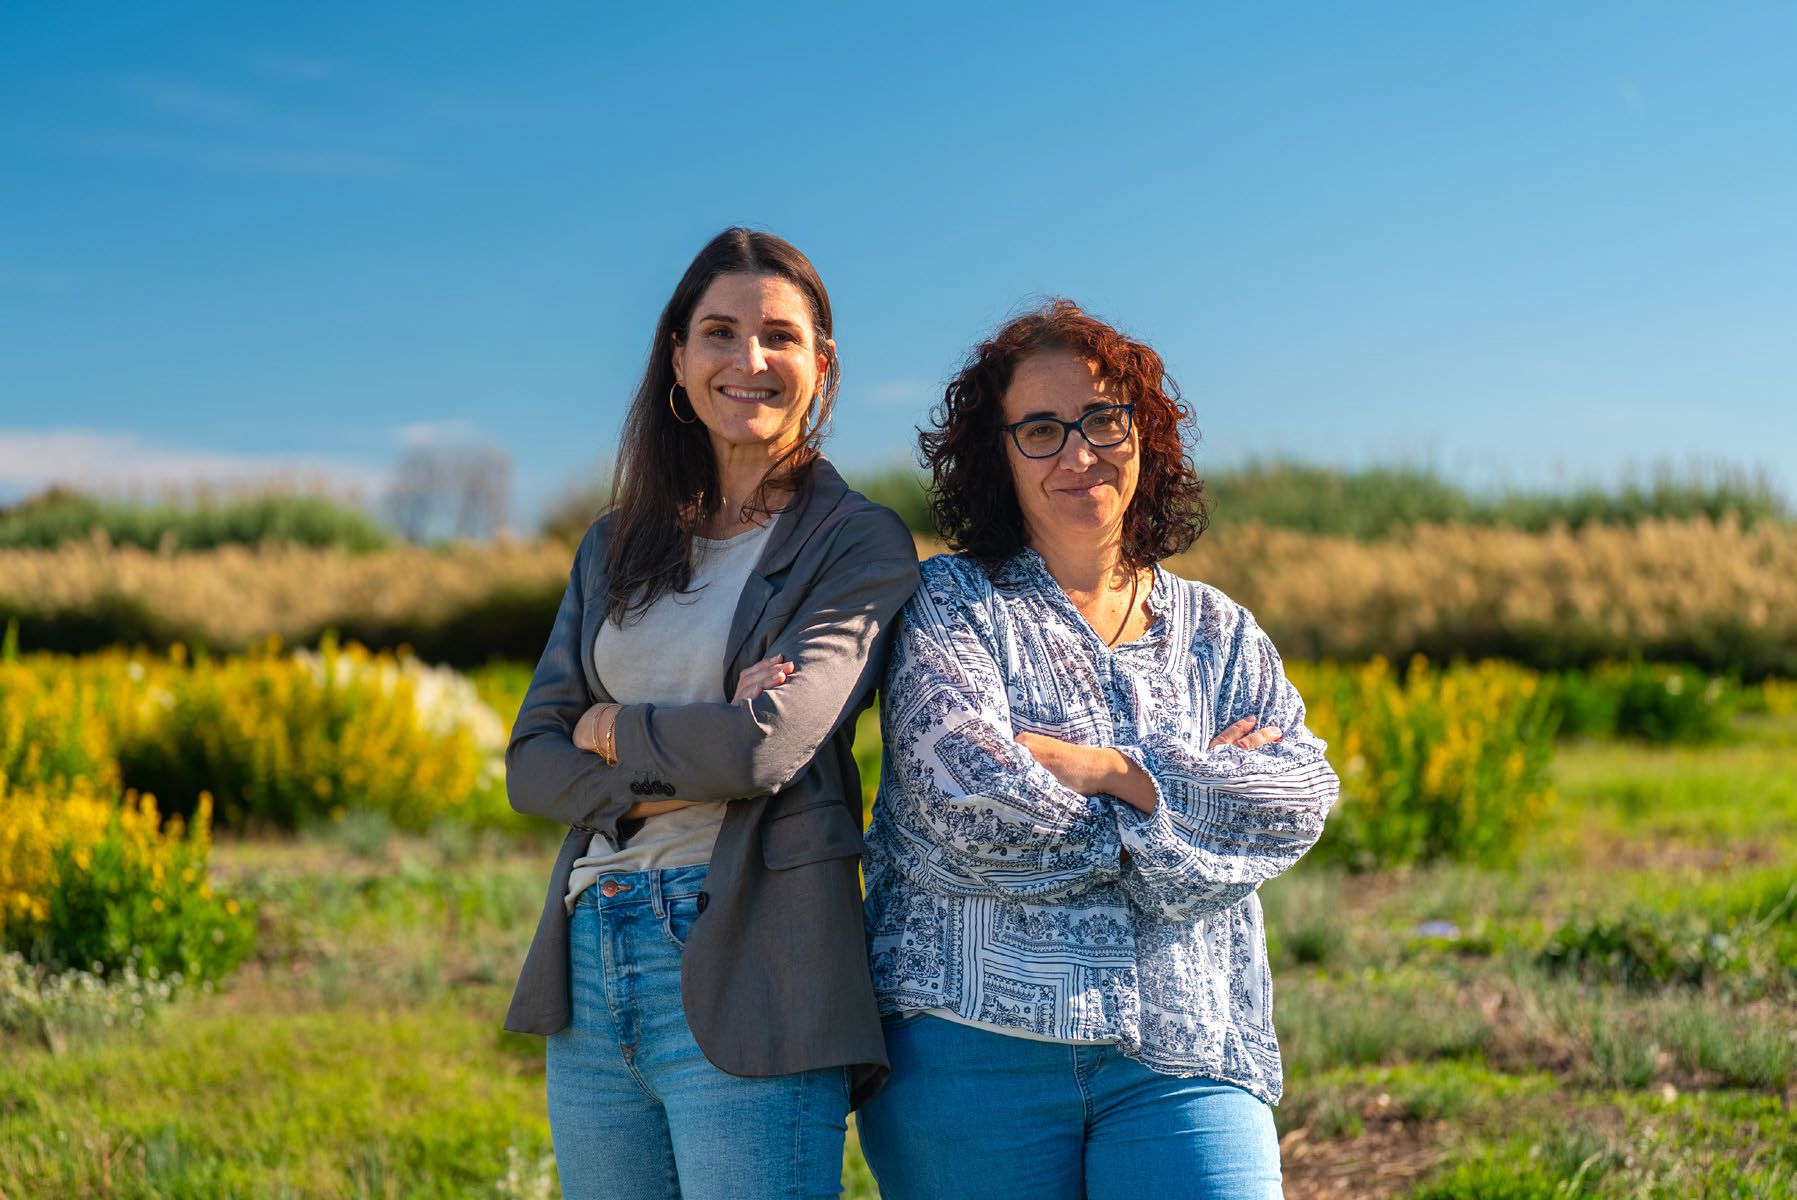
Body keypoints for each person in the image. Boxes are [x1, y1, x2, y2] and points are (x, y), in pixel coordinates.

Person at [856, 299, 1339, 1199]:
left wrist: (1115, 772)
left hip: (1187, 1046)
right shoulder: (950, 604)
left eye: (1102, 420)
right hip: (969, 1053)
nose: (1078, 454)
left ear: (1143, 434)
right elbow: (970, 799)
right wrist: (1186, 813)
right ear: (997, 454)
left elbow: (1295, 798)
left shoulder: (1219, 631)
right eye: (1039, 429)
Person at [501, 227, 920, 1200]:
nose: (750, 361)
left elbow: (760, 748)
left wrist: (608, 729)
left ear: (822, 365)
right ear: (679, 361)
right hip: (592, 955)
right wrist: (676, 749)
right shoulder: (614, 547)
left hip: (757, 960)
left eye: (779, 336)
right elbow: (530, 761)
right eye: (720, 333)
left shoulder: (856, 544)